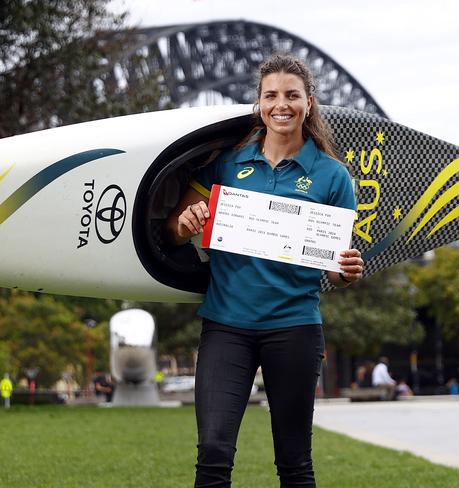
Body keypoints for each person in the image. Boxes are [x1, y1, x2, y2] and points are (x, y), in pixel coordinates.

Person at [165, 54, 364, 487]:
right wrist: (185, 223)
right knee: (213, 454)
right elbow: (176, 228)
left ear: (308, 103)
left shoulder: (333, 177)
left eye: (292, 96)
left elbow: (335, 268)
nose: (282, 105)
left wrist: (346, 269)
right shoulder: (227, 163)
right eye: (271, 96)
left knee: (294, 463)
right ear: (259, 103)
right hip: (226, 327)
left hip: (294, 328)